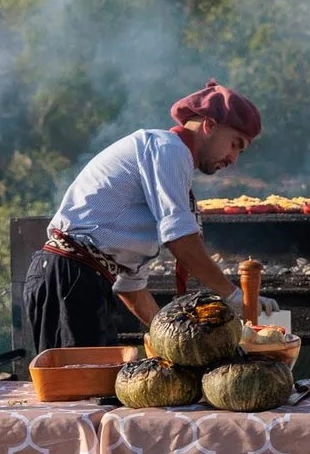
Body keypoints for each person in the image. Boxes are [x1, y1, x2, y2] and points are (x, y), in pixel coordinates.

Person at [20, 82, 259, 352]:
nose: (234, 158)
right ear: (210, 125)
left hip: (80, 279)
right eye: (235, 144)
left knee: (90, 388)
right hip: (70, 277)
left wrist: (171, 340)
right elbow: (180, 240)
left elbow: (129, 286)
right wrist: (232, 294)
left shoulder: (170, 163)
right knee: (80, 389)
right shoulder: (168, 149)